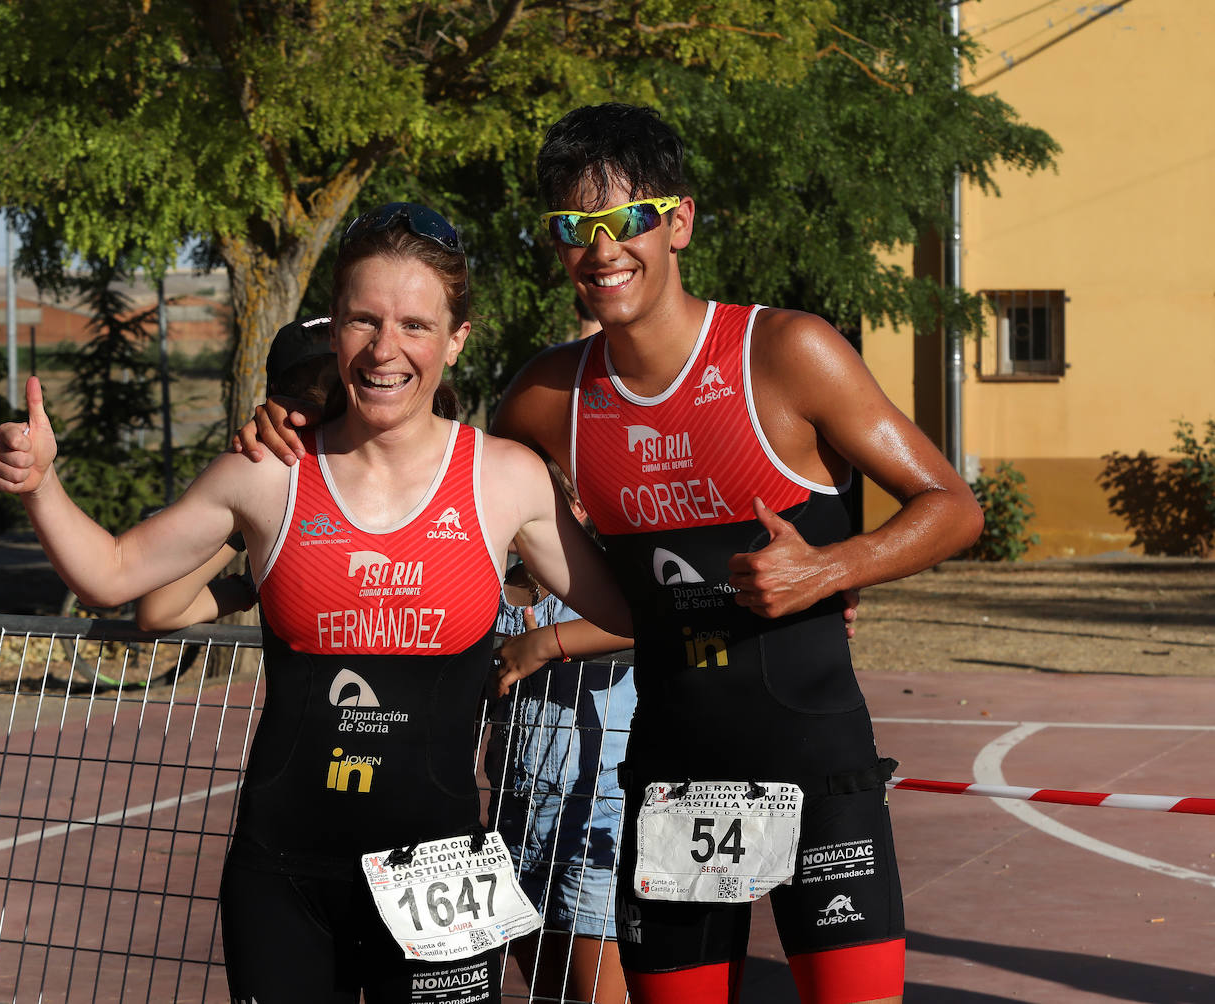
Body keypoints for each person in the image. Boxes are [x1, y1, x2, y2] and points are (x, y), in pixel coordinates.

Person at [232, 106, 981, 1003]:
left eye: (625, 219)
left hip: (815, 768)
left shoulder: (786, 352)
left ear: (679, 222)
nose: (600, 250)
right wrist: (306, 425)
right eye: (571, 229)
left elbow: (952, 507)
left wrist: (832, 568)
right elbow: (428, 475)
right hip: (672, 782)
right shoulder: (549, 397)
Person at [0, 202, 632, 1004]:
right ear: (336, 331)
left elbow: (637, 609)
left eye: (415, 325)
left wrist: (787, 574)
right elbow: (112, 574)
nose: (386, 348)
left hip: (442, 880)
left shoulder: (505, 479)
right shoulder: (270, 472)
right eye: (364, 320)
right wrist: (42, 484)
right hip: (284, 879)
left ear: (457, 340)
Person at [487, 463, 634, 1004]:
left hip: (598, 809)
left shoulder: (608, 585)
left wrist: (546, 642)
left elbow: (651, 619)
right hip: (515, 809)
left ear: (580, 512)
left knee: (594, 985)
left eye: (553, 505)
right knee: (542, 987)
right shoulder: (493, 588)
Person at [135, 315, 334, 632]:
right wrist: (252, 583)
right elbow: (159, 611)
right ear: (276, 399)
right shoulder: (274, 480)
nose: (324, 405)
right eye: (314, 387)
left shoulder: (426, 459)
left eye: (339, 385)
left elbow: (158, 610)